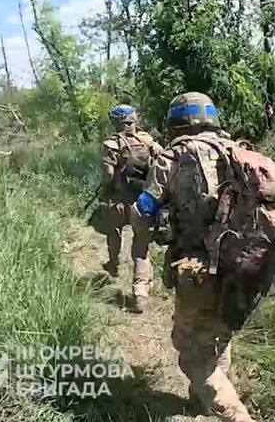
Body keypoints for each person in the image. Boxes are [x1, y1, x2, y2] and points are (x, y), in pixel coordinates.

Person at [132, 92, 256, 422]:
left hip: (198, 267)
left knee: (190, 355)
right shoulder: (238, 150)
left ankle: (237, 417)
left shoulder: (172, 157)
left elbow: (144, 210)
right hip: (244, 265)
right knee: (218, 335)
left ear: (177, 122)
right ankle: (201, 402)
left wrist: (147, 238)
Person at [101, 104, 162, 312]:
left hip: (119, 201)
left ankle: (113, 262)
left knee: (113, 230)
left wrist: (108, 190)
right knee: (141, 246)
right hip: (143, 203)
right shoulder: (148, 140)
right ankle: (140, 294)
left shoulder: (112, 144)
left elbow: (108, 174)